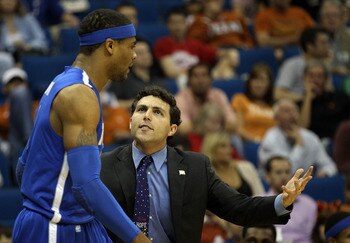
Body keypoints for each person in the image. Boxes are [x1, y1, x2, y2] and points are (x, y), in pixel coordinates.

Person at [100, 85, 314, 243]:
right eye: (141, 110)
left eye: (157, 112)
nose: (146, 116)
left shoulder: (195, 167)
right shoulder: (104, 165)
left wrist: (281, 201)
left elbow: (237, 207)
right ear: (130, 122)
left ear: (172, 129)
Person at [12, 9, 150, 243]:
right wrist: (138, 238)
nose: (134, 55)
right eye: (131, 46)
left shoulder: (63, 83)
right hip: (54, 227)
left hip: (75, 221)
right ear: (110, 46)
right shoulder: (79, 96)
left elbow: (23, 166)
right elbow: (86, 184)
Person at [259, 99, 338, 177]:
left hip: (306, 186)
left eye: (295, 111)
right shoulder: (271, 138)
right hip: (279, 187)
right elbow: (286, 172)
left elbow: (329, 165)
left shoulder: (310, 137)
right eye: (287, 111)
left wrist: (325, 173)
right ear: (276, 118)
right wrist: (299, 145)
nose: (292, 115)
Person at [264, 156, 317, 243]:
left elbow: (308, 236)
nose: (284, 176)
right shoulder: (259, 202)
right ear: (268, 176)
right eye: (278, 172)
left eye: (287, 172)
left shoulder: (309, 203)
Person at [1, 67, 33, 182]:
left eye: (19, 83)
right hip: (13, 151)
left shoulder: (38, 106)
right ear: (5, 88)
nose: (17, 87)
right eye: (12, 83)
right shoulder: (2, 110)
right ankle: (31, 146)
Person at [231, 63, 275, 143]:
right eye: (255, 80)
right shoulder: (240, 99)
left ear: (269, 84)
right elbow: (238, 129)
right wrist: (257, 141)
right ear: (249, 82)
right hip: (250, 144)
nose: (258, 84)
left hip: (272, 146)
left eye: (262, 80)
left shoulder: (274, 106)